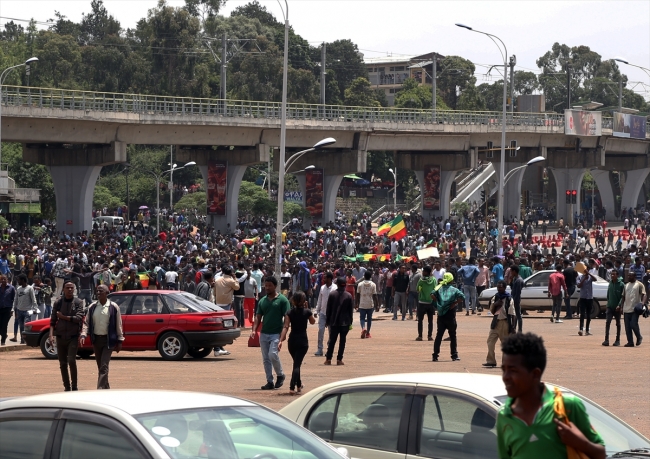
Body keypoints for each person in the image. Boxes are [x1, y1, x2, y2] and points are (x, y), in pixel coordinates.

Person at [497, 333, 606, 459]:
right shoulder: (504, 416)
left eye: (513, 370)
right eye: (504, 370)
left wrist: (582, 444)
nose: (505, 377)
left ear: (535, 374)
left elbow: (601, 454)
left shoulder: (567, 407)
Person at [80, 284, 124, 389]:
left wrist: (120, 340)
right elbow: (86, 323)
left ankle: (99, 389)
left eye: (101, 291)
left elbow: (118, 324)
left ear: (107, 293)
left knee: (104, 366)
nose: (98, 293)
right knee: (100, 367)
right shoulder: (92, 307)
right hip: (96, 340)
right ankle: (106, 388)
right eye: (97, 291)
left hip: (108, 341)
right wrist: (83, 334)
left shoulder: (113, 307)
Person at [251, 276, 290, 390]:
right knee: (266, 359)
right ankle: (269, 381)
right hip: (264, 333)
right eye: (265, 285)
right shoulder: (262, 301)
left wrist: (283, 335)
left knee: (272, 354)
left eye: (269, 286)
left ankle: (280, 375)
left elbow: (287, 318)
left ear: (275, 286)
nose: (267, 288)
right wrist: (254, 330)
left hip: (276, 333)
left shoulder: (283, 300)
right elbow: (258, 317)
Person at [49, 282, 85, 391]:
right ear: (63, 289)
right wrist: (51, 335)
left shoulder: (78, 302)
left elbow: (79, 318)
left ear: (74, 289)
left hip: (72, 337)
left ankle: (74, 386)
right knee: (62, 363)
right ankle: (67, 387)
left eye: (71, 288)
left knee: (72, 361)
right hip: (60, 337)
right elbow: (53, 320)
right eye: (67, 288)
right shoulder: (58, 302)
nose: (69, 290)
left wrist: (63, 317)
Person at [279, 291, 315, 395]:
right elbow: (313, 322)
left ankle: (298, 385)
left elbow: (286, 327)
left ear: (293, 301)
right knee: (297, 365)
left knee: (296, 363)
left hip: (292, 341)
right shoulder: (307, 312)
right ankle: (292, 386)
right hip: (303, 341)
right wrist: (308, 309)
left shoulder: (289, 313)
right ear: (304, 301)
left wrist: (281, 340)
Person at [431, 273, 465, 362]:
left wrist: (438, 303)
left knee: (439, 336)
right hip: (450, 315)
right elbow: (462, 297)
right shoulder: (454, 290)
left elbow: (432, 294)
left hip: (441, 316)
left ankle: (435, 355)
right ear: (452, 280)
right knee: (453, 335)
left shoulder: (439, 288)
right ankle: (454, 355)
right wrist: (454, 303)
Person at [483, 281, 514, 368]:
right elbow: (492, 311)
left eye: (501, 287)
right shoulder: (495, 297)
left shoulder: (509, 298)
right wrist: (495, 304)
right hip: (496, 323)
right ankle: (491, 361)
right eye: (498, 287)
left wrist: (513, 327)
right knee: (490, 342)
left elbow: (513, 314)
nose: (499, 289)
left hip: (505, 323)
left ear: (504, 288)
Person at [324, 277, 354, 365]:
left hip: (334, 322)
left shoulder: (332, 294)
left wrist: (327, 320)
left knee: (332, 341)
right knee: (342, 341)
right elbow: (350, 311)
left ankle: (328, 359)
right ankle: (339, 359)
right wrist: (350, 322)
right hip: (345, 322)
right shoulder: (348, 296)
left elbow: (328, 309)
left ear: (337, 284)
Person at [213, 266, 239, 356]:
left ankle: (219, 347)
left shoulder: (217, 280)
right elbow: (237, 287)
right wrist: (235, 278)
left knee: (220, 325)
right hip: (226, 305)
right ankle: (217, 348)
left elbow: (214, 293)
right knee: (223, 327)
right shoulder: (231, 280)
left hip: (217, 304)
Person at [10, 274, 37, 344]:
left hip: (28, 311)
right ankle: (22, 339)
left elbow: (33, 299)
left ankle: (26, 339)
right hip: (19, 310)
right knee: (21, 326)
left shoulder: (30, 288)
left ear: (23, 280)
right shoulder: (18, 289)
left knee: (26, 325)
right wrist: (13, 309)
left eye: (19, 280)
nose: (18, 281)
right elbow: (15, 300)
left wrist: (35, 308)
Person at [620, 271, 645, 347]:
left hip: (635, 309)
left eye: (630, 276)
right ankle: (630, 342)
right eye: (628, 276)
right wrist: (621, 307)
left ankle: (639, 337)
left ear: (634, 276)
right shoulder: (626, 285)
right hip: (626, 308)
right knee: (627, 327)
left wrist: (642, 303)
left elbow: (644, 294)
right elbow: (623, 297)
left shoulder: (639, 284)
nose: (628, 277)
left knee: (633, 324)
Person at [314, 272, 334, 356]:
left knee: (331, 332)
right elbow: (319, 300)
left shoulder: (335, 288)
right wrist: (316, 310)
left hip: (332, 314)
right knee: (321, 331)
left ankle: (329, 349)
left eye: (325, 278)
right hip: (322, 313)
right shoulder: (322, 288)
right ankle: (319, 349)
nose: (323, 280)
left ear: (329, 279)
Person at [603, 269, 624, 347]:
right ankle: (606, 340)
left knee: (618, 324)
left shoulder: (621, 284)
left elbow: (623, 297)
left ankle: (617, 340)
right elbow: (608, 294)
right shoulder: (610, 283)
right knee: (608, 322)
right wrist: (608, 303)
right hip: (610, 307)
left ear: (617, 275)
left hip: (617, 308)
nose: (612, 276)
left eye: (614, 274)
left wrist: (619, 305)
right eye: (611, 274)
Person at [415, 265, 437, 341]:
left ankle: (420, 336)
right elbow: (435, 289)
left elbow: (417, 289)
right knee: (430, 321)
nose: (423, 272)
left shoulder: (421, 280)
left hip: (422, 302)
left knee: (420, 320)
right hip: (430, 302)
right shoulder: (434, 280)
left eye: (424, 271)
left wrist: (422, 290)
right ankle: (429, 336)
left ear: (426, 272)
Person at [356, 270, 378, 338]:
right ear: (370, 277)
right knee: (369, 319)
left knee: (362, 318)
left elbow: (357, 295)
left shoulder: (360, 284)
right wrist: (377, 304)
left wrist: (356, 303)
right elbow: (374, 295)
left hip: (362, 303)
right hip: (370, 304)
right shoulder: (373, 284)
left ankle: (363, 328)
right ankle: (368, 333)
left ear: (364, 276)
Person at [576, 268, 596, 336]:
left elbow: (595, 279)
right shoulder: (579, 277)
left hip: (589, 298)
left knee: (588, 315)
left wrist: (589, 274)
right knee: (582, 314)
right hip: (583, 298)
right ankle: (581, 329)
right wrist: (584, 279)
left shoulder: (590, 277)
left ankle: (587, 330)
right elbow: (579, 285)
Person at [0, 275, 16, 345]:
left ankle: (3, 341)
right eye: (2, 279)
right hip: (0, 308)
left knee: (4, 324)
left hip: (8, 309)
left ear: (7, 280)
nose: (3, 280)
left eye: (4, 279)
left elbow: (14, 299)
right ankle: (4, 334)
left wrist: (12, 309)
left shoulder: (11, 288)